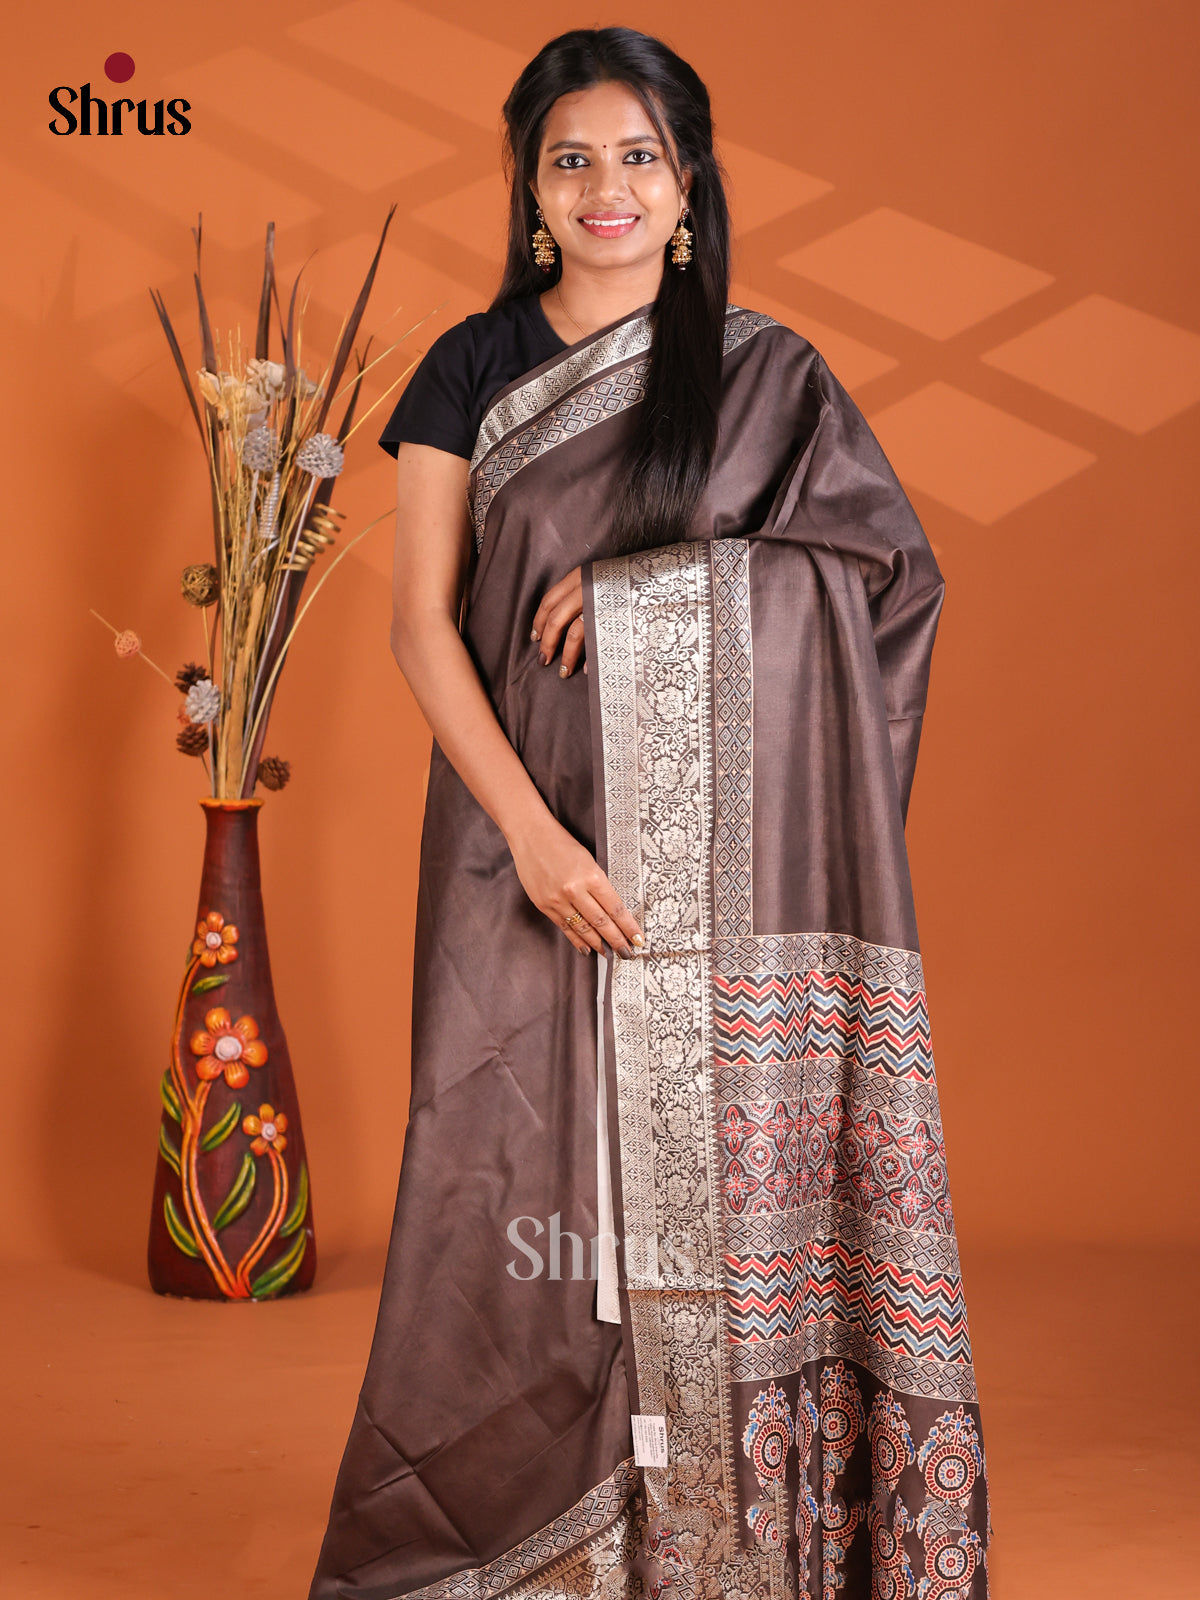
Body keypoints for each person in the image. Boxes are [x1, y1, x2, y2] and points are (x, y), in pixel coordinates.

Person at [309, 26, 990, 1600]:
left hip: (730, 884)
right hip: (517, 838)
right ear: (525, 183)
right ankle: (524, 1546)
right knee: (505, 1180)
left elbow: (886, 584)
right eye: (571, 159)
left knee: (723, 1205)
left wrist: (655, 591)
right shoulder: (471, 366)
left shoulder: (766, 373)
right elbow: (422, 628)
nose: (604, 187)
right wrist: (534, 840)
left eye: (638, 157)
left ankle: (726, 1541)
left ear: (688, 185)